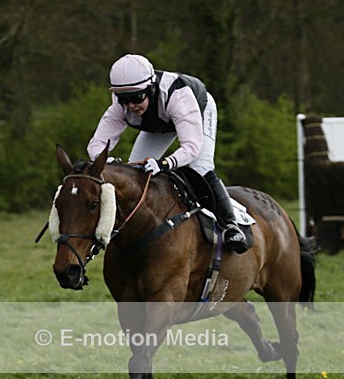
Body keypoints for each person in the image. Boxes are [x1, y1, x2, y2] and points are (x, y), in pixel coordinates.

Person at [87, 53, 248, 253]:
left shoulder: (178, 96)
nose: (130, 106)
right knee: (134, 172)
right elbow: (97, 144)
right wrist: (107, 160)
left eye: (136, 98)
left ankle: (231, 225)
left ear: (151, 88)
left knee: (200, 167)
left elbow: (191, 147)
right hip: (160, 122)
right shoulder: (120, 106)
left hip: (196, 110)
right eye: (124, 100)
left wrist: (164, 164)